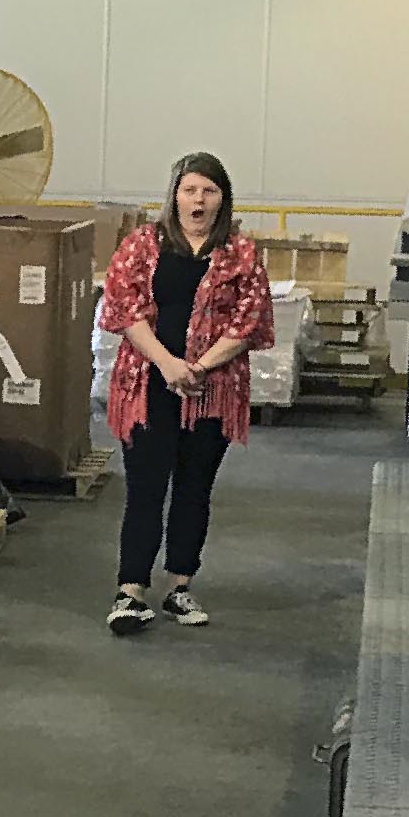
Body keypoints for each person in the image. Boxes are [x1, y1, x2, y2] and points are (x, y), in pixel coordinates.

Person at [99, 153, 274, 636]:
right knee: (145, 487)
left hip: (212, 389)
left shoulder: (242, 253)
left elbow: (249, 319)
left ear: (223, 199)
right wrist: (169, 364)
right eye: (190, 190)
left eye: (209, 191)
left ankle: (180, 585)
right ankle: (130, 590)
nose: (198, 200)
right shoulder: (141, 245)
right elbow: (124, 306)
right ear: (174, 194)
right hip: (147, 382)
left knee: (195, 487)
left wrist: (198, 367)